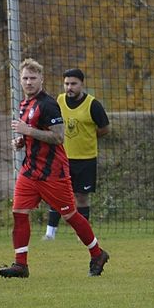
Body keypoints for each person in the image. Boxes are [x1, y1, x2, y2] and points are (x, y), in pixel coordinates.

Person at [0, 58, 110, 278]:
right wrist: (22, 141)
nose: (29, 82)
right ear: (19, 80)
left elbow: (58, 137)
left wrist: (28, 132)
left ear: (41, 79)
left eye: (33, 78)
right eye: (25, 78)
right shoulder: (24, 104)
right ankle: (20, 265)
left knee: (71, 216)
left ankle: (97, 254)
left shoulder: (48, 104)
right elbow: (34, 132)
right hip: (30, 171)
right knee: (19, 213)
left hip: (53, 174)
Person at [44, 68, 110, 241]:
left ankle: (82, 234)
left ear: (82, 84)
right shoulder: (58, 101)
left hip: (86, 159)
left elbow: (105, 128)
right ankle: (50, 233)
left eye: (73, 84)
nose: (69, 87)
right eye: (66, 84)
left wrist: (88, 137)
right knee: (57, 194)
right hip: (62, 157)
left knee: (81, 196)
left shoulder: (92, 104)